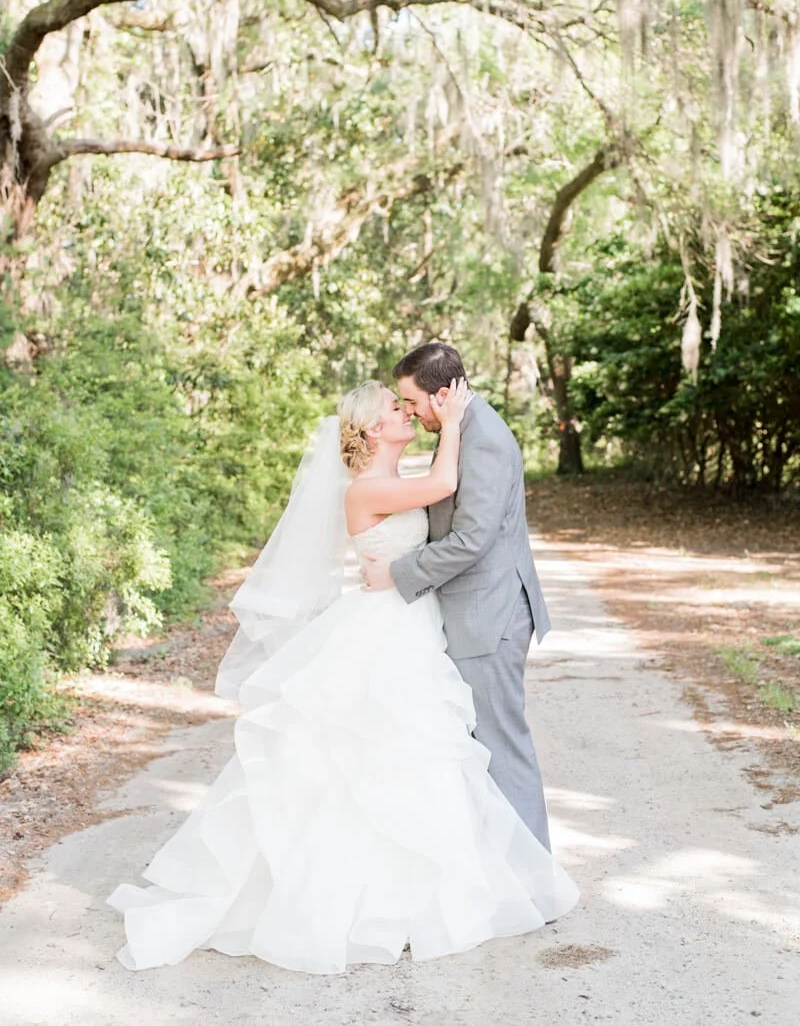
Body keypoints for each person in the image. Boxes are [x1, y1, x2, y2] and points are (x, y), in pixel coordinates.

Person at [107, 378, 577, 974]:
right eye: (396, 409)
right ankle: (369, 903)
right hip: (385, 629)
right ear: (375, 430)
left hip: (411, 623)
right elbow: (445, 486)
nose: (407, 414)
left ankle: (415, 894)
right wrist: (456, 419)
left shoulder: (395, 478)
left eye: (407, 404)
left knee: (415, 758)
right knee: (373, 755)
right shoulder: (367, 489)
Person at [361, 343, 553, 851]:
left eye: (412, 401)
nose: (410, 411)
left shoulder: (483, 439)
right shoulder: (461, 429)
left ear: (443, 395)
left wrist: (396, 572)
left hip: (490, 615)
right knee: (477, 749)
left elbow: (472, 539)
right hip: (472, 612)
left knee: (501, 748)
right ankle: (498, 868)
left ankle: (532, 877)